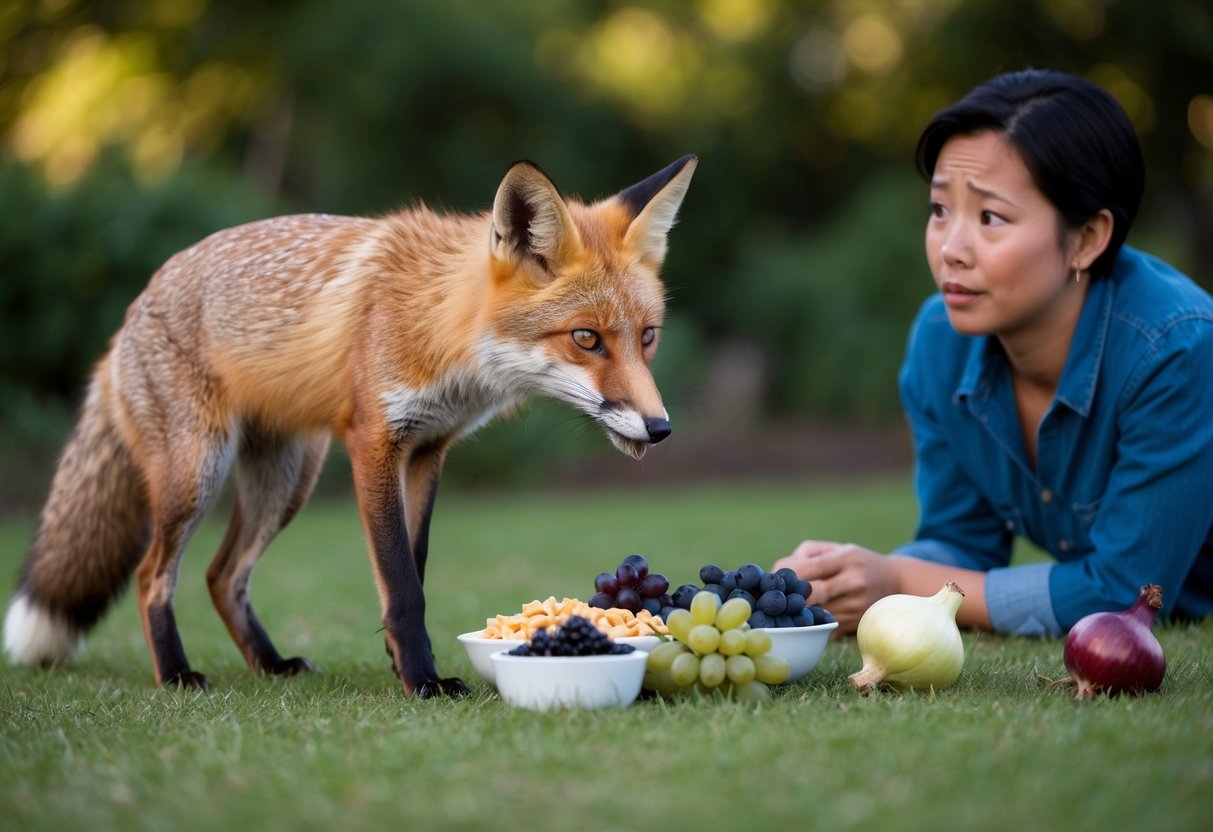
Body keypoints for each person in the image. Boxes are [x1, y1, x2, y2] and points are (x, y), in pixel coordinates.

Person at [774, 69, 1213, 637]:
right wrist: (848, 580)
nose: (951, 250)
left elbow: (1125, 594)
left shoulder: (1175, 348)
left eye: (989, 217)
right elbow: (963, 541)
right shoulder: (942, 342)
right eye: (939, 211)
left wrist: (902, 581)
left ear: (1087, 239)